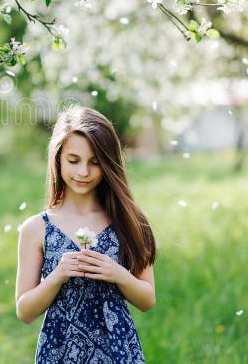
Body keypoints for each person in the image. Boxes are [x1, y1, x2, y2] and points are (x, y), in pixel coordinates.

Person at [15, 105, 156, 363]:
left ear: (108, 164)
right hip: (61, 351)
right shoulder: (37, 229)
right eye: (73, 160)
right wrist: (57, 276)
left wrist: (119, 275)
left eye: (94, 162)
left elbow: (148, 299)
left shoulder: (128, 221)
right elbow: (24, 311)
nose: (83, 172)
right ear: (58, 158)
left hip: (117, 350)